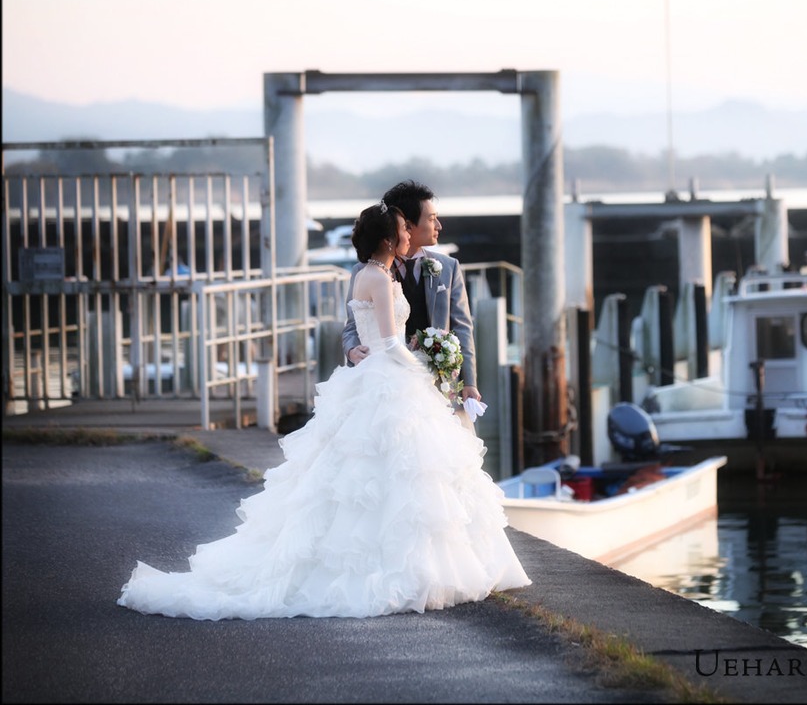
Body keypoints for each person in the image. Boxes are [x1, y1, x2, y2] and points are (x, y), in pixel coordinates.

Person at [117, 201, 531, 620]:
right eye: (406, 228)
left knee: (388, 476)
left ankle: (420, 564)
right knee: (393, 475)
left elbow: (432, 329)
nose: (411, 234)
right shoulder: (378, 278)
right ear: (390, 238)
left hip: (382, 379)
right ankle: (402, 568)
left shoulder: (394, 272)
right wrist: (425, 365)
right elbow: (387, 343)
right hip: (389, 379)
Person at [343, 179, 481, 426]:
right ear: (406, 225)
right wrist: (352, 350)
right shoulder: (364, 272)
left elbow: (462, 328)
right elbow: (353, 325)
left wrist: (469, 382)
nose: (438, 225)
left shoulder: (448, 268)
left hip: (438, 386)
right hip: (383, 385)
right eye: (431, 218)